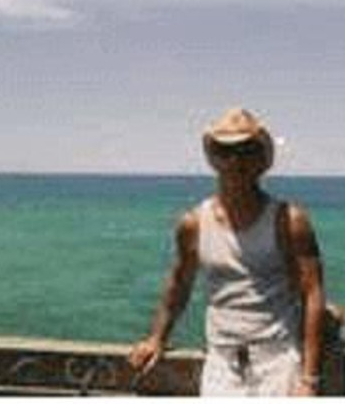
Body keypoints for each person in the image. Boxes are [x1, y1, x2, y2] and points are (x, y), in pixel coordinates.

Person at [128, 108, 326, 396]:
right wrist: (157, 339)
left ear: (261, 159)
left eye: (246, 150)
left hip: (278, 363)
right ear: (213, 159)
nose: (235, 160)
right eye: (225, 151)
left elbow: (313, 295)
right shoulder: (193, 224)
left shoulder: (289, 221)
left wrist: (309, 379)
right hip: (221, 366)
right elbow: (179, 286)